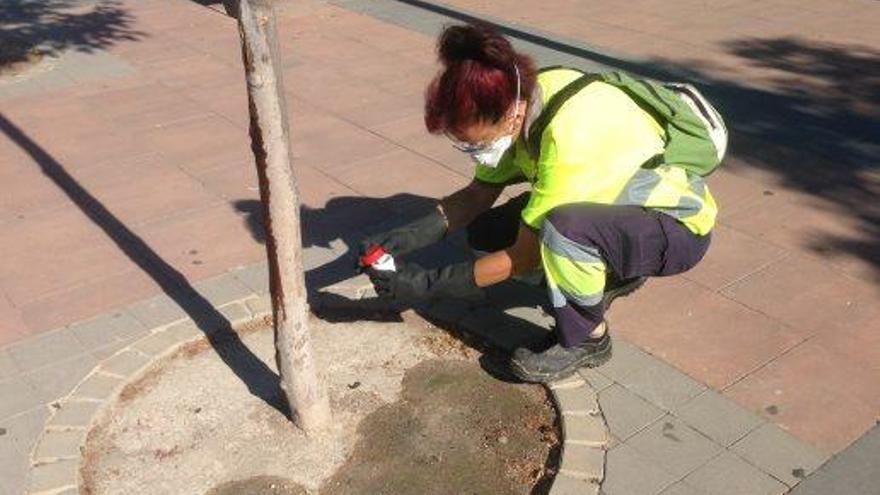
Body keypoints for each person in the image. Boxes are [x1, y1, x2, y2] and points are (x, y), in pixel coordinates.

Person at [359, 23, 724, 383]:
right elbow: (476, 196)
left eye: (475, 145)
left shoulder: (568, 138)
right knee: (488, 233)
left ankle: (588, 338)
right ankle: (605, 275)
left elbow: (524, 255)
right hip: (614, 208)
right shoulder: (524, 94)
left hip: (672, 228)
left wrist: (425, 284)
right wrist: (402, 238)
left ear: (512, 115)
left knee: (562, 233)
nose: (473, 154)